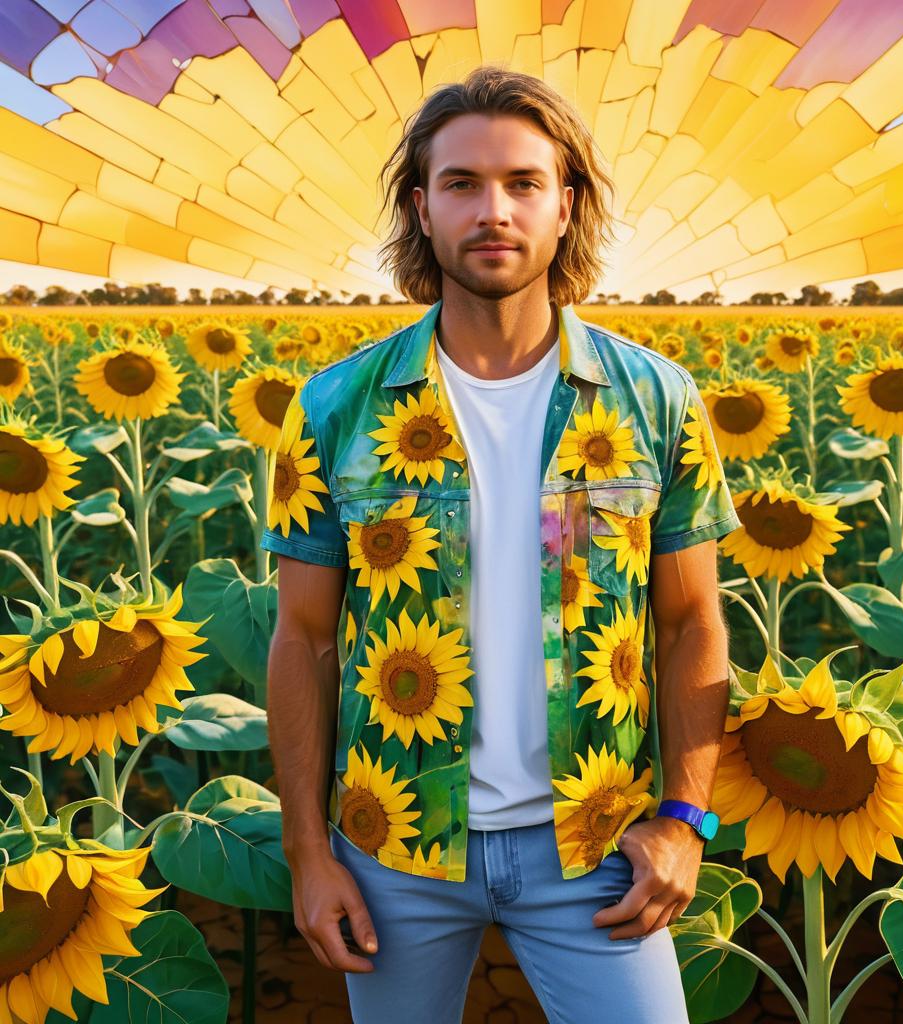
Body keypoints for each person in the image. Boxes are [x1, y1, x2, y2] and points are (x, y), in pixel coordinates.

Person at [261, 64, 740, 1024]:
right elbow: (305, 638)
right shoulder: (335, 409)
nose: (495, 211)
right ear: (421, 208)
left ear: (566, 206)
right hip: (395, 846)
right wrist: (310, 855)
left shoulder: (654, 400)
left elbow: (691, 619)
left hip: (598, 846)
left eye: (524, 183)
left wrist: (685, 822)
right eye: (462, 184)